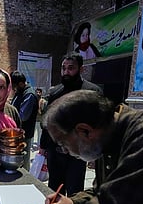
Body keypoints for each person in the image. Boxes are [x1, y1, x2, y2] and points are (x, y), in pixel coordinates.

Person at [39, 54, 102, 194]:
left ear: (81, 69)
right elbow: (47, 123)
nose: (66, 72)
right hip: (55, 152)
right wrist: (43, 147)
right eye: (64, 68)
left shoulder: (92, 92)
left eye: (71, 68)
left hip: (78, 154)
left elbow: (97, 125)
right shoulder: (55, 92)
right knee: (54, 189)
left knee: (75, 190)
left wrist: (95, 153)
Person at [10, 71, 38, 171]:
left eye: (14, 86)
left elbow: (23, 116)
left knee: (23, 161)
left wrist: (9, 117)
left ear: (21, 84)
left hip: (24, 134)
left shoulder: (29, 95)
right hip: (17, 133)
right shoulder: (19, 92)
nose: (13, 89)